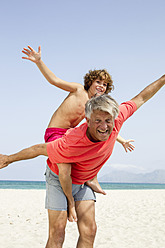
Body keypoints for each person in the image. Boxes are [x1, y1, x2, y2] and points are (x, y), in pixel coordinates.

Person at [0, 75, 164, 248]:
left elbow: (142, 97)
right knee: (58, 233)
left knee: (90, 231)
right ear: (87, 120)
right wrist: (8, 159)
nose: (104, 126)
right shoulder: (71, 142)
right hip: (60, 179)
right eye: (98, 121)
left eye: (108, 120)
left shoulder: (117, 120)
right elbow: (39, 149)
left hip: (83, 180)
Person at [21, 45, 135, 215]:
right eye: (98, 82)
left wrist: (122, 140)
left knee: (96, 148)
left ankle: (92, 179)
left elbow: (103, 128)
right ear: (90, 82)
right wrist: (39, 62)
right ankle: (70, 202)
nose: (101, 86)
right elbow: (54, 80)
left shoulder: (95, 106)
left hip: (70, 136)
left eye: (105, 85)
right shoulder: (78, 90)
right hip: (55, 133)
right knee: (65, 168)